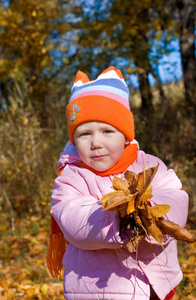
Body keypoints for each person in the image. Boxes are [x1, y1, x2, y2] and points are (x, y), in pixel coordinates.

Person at [46, 66, 189, 300]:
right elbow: (72, 217)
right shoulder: (71, 177)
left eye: (106, 131)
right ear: (73, 139)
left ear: (125, 135)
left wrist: (152, 212)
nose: (96, 143)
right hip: (103, 289)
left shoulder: (148, 164)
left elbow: (175, 195)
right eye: (84, 134)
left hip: (157, 281)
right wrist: (117, 218)